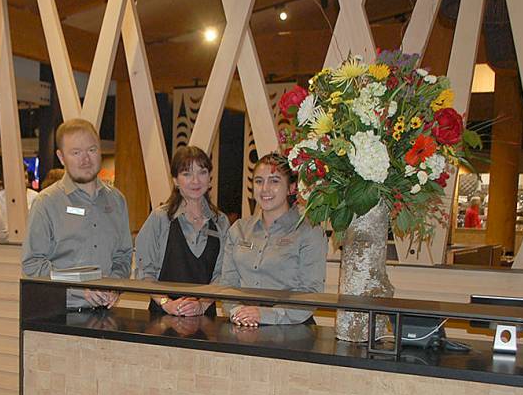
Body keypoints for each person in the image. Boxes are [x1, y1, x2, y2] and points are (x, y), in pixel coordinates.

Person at [22, 119, 132, 309]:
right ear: (61, 157)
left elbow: (123, 256)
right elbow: (32, 263)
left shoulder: (117, 201)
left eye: (91, 150)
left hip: (106, 315)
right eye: (76, 152)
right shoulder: (46, 203)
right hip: (56, 315)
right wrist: (80, 289)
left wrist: (113, 287)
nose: (85, 159)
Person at [218, 153, 327, 326]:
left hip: (292, 331)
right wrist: (237, 311)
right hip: (243, 325)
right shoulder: (238, 229)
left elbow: (310, 292)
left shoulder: (309, 231)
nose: (265, 189)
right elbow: (228, 284)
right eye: (259, 181)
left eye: (274, 181)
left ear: (291, 187)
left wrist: (265, 315)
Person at [135, 145, 229, 317]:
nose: (195, 181)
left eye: (202, 172)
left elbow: (222, 274)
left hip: (205, 320)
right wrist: (167, 304)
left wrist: (201, 305)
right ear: (176, 180)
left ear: (210, 178)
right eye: (187, 174)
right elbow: (144, 272)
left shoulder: (220, 221)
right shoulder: (160, 218)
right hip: (162, 318)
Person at [0, 166, 39, 234]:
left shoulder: (36, 197)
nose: (24, 181)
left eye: (25, 177)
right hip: (3, 241)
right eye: (20, 177)